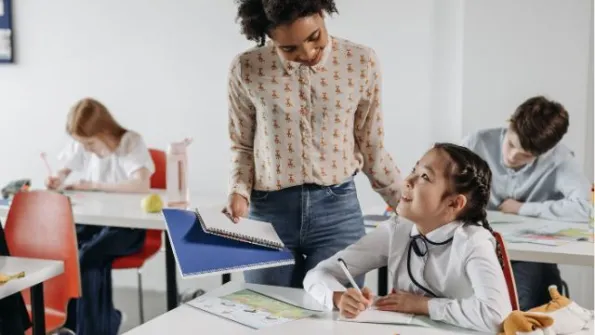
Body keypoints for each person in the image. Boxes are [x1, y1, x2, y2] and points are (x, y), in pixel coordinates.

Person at [226, 0, 402, 288]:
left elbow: (372, 147)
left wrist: (408, 205)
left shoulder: (360, 62)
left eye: (314, 37)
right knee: (271, 317)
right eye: (289, 48)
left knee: (335, 320)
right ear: (270, 38)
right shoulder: (248, 68)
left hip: (337, 210)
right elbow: (243, 146)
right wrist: (239, 192)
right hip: (268, 213)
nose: (307, 53)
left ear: (323, 14)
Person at [303, 143, 511, 333]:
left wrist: (423, 305)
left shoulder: (473, 242)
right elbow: (318, 273)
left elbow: (496, 316)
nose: (408, 181)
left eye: (425, 177)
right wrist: (338, 297)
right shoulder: (397, 230)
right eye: (414, 170)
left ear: (454, 204)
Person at [462, 96, 591, 311]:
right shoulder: (477, 142)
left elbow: (585, 208)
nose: (512, 157)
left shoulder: (560, 159)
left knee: (526, 297)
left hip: (527, 254)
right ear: (510, 124)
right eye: (511, 144)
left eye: (525, 156)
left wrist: (523, 208)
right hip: (475, 245)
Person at [46, 98, 155, 335]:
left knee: (88, 257)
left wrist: (94, 185)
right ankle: (81, 324)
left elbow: (141, 184)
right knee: (67, 251)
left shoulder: (130, 142)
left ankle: (94, 329)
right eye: (81, 143)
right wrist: (58, 179)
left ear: (104, 131)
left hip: (128, 228)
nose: (86, 149)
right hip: (94, 222)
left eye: (90, 143)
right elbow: (64, 170)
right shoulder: (82, 143)